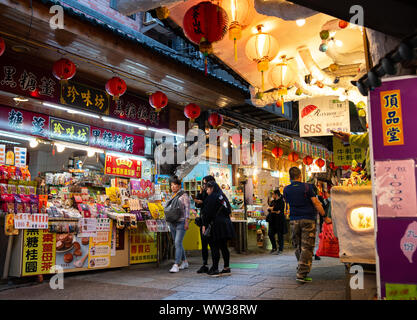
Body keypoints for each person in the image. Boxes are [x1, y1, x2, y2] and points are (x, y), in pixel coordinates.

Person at [283, 167, 331, 283]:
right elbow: (316, 202)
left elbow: (287, 203)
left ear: (290, 177)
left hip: (294, 220)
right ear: (300, 176)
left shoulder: (286, 189)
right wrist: (324, 216)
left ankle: (301, 266)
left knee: (298, 246)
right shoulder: (307, 187)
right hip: (308, 220)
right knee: (307, 247)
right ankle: (301, 273)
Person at [201, 181, 235, 277]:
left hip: (216, 225)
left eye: (207, 189)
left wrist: (204, 225)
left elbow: (207, 213)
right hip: (225, 225)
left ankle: (215, 268)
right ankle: (226, 267)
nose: (207, 191)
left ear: (211, 188)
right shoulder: (222, 196)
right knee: (224, 246)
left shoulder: (211, 197)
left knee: (214, 246)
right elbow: (228, 210)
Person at [166, 176, 190, 273]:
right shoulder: (172, 196)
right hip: (172, 222)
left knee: (177, 243)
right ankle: (184, 261)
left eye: (175, 185)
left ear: (179, 185)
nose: (173, 187)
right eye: (171, 185)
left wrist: (187, 222)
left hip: (181, 222)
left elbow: (187, 209)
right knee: (178, 243)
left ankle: (176, 264)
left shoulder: (184, 196)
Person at [194, 175, 216, 274]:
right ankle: (205, 264)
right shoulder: (204, 191)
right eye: (203, 183)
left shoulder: (214, 193)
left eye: (205, 183)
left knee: (212, 244)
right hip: (203, 220)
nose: (204, 185)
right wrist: (199, 195)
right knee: (204, 244)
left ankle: (215, 266)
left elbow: (209, 205)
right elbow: (197, 205)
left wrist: (202, 202)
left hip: (211, 222)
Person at [266, 189, 287, 255]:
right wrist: (274, 210)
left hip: (279, 221)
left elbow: (278, 209)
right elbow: (269, 209)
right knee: (270, 234)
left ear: (276, 194)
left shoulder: (281, 201)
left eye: (273, 194)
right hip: (272, 221)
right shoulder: (273, 201)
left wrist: (273, 209)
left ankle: (280, 249)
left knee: (280, 235)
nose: (272, 195)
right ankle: (274, 247)